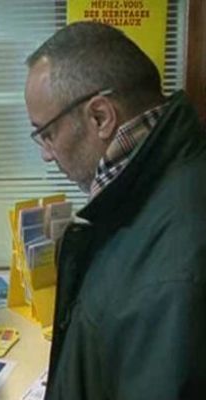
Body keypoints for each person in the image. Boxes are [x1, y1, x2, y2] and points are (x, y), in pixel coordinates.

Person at [24, 21, 206, 399]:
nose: (45, 153)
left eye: (48, 133)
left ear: (100, 117)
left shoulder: (176, 256)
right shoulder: (144, 190)